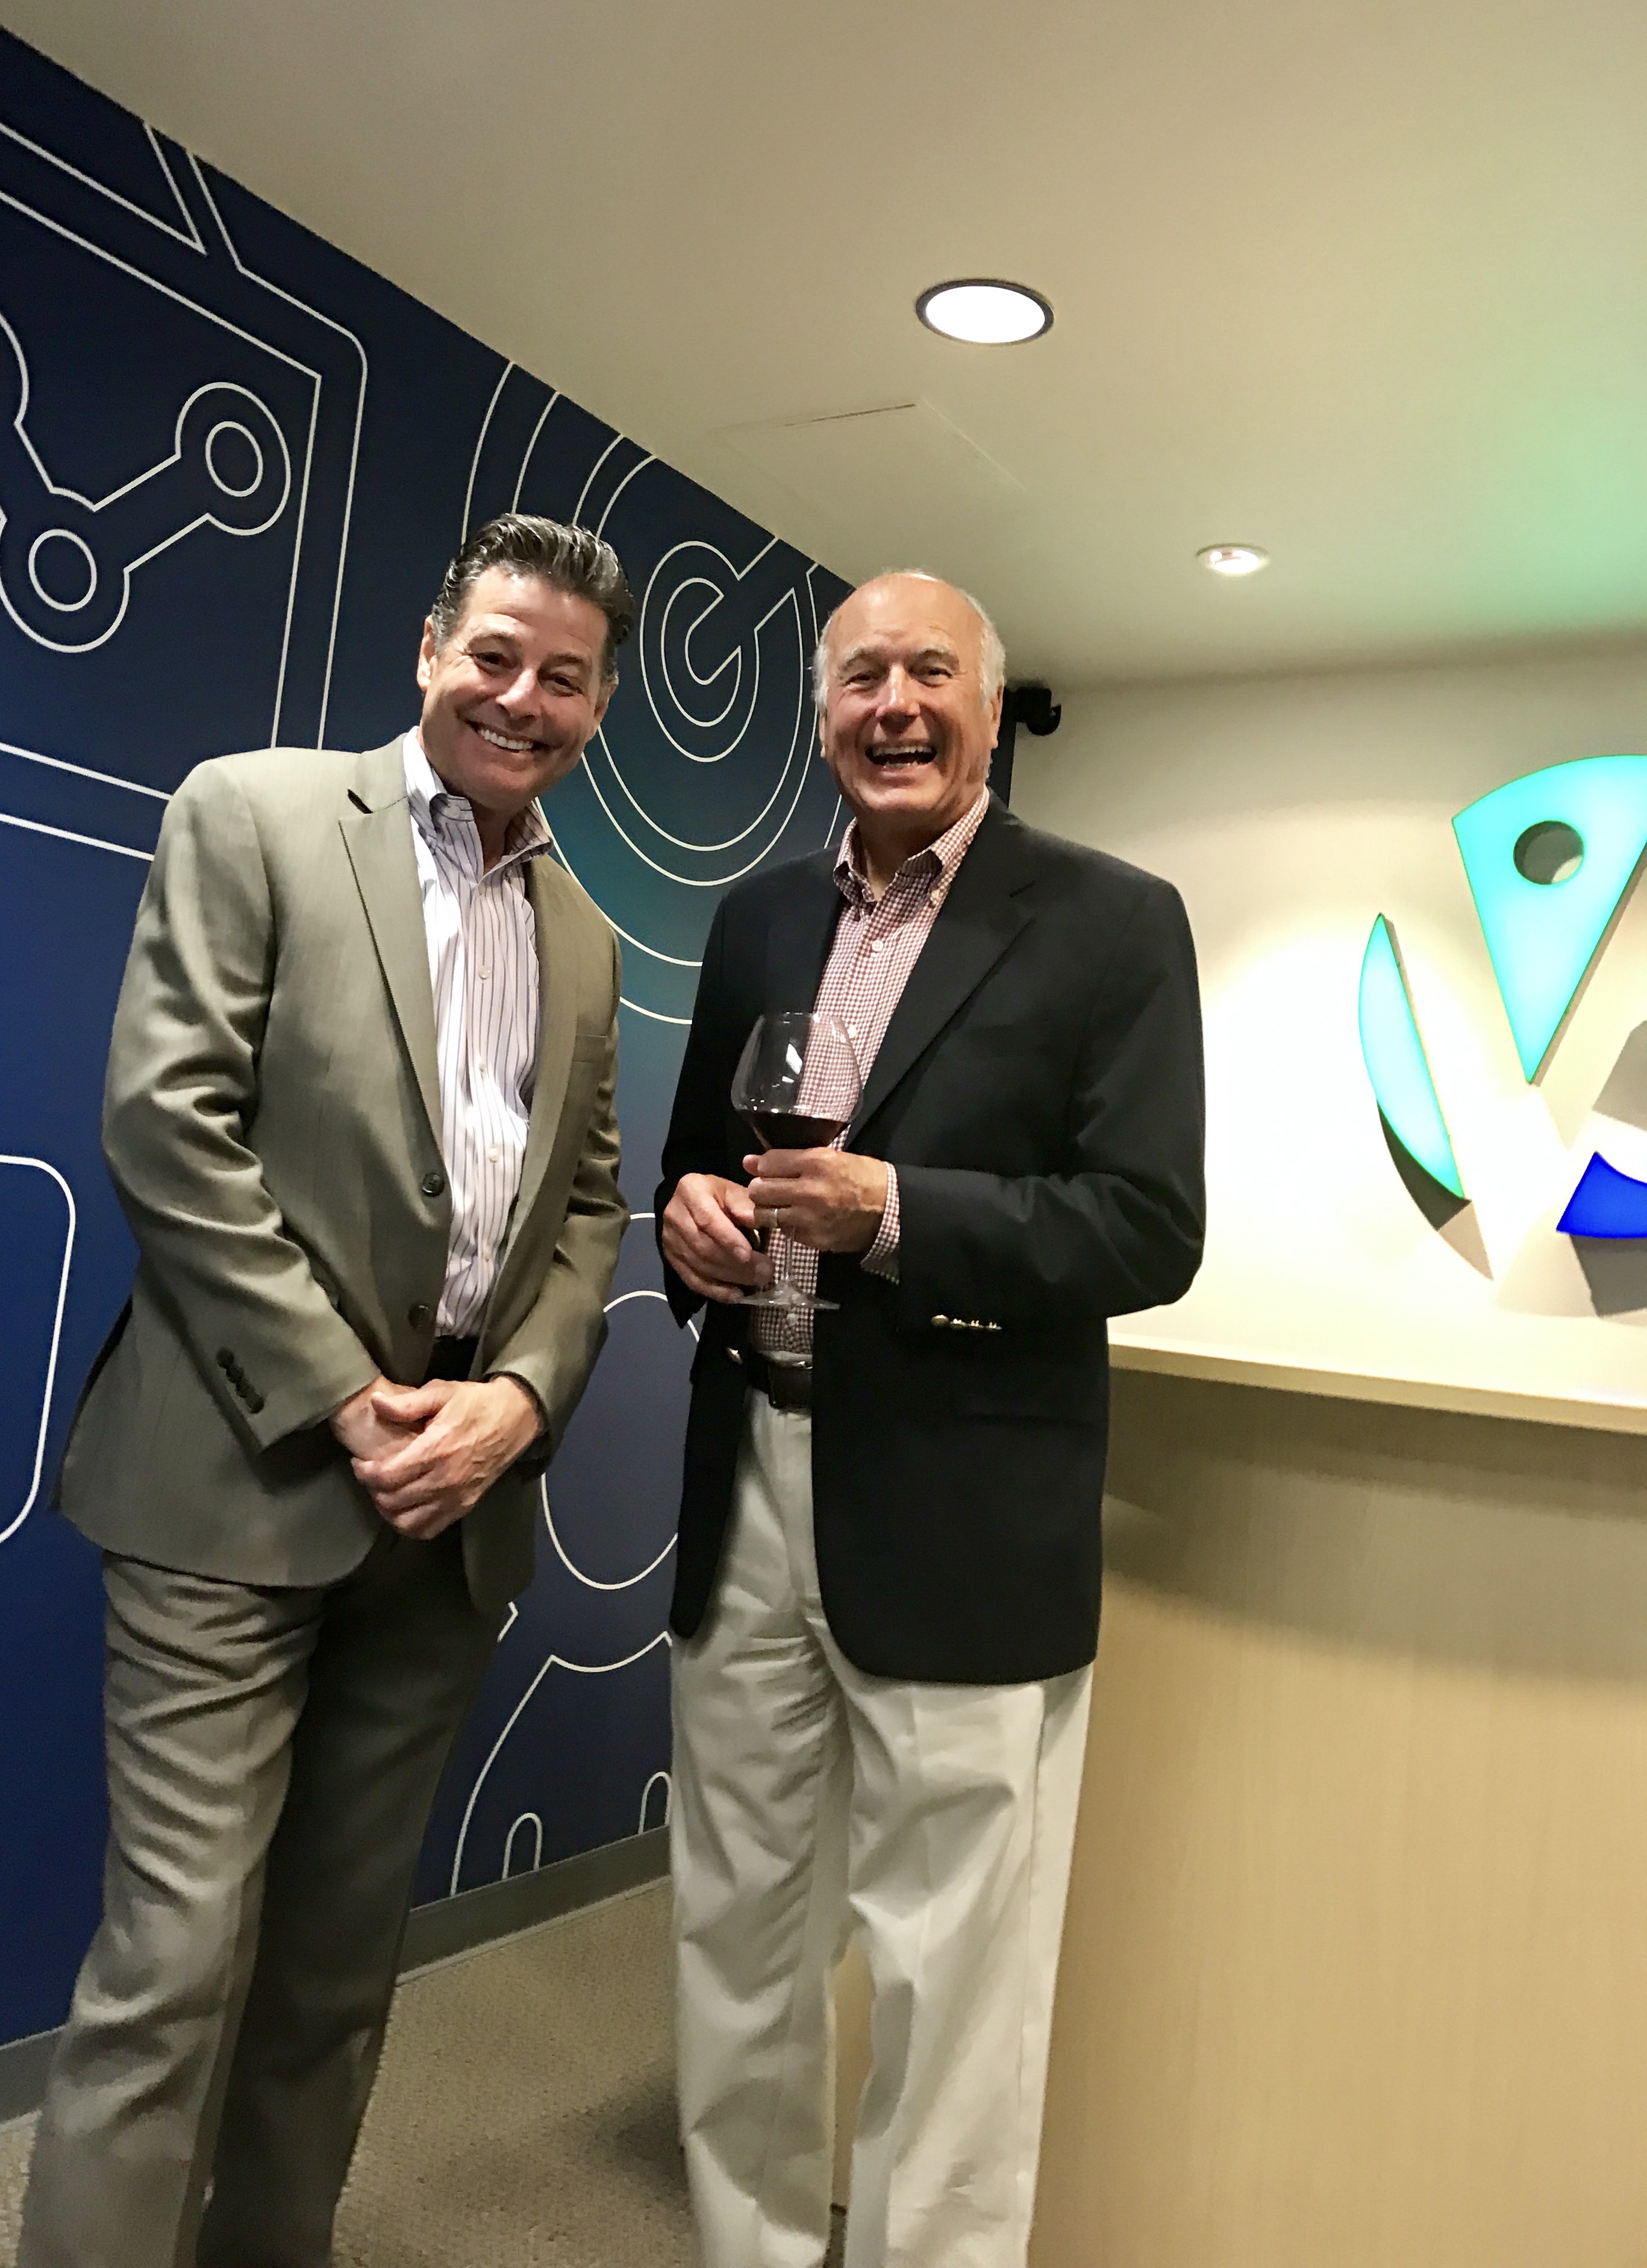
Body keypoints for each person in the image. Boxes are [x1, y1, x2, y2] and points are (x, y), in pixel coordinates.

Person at [17, 515, 632, 2268]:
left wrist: (520, 1402)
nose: (523, 699)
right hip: (238, 1482)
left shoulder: (588, 936)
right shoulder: (258, 814)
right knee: (176, 1969)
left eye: (567, 677)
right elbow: (168, 1123)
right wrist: (350, 1398)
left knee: (340, 1973)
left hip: (451, 1519)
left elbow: (589, 1209)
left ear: (598, 707)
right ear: (430, 652)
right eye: (495, 655)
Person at [657, 570, 1205, 2268]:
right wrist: (688, 1224)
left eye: (930, 672)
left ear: (988, 701)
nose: (894, 704)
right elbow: (693, 1159)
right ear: (821, 710)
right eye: (860, 676)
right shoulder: (756, 916)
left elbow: (1148, 1229)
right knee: (735, 1940)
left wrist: (896, 1210)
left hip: (964, 1510)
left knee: (954, 1975)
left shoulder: (1113, 919)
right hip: (752, 1475)